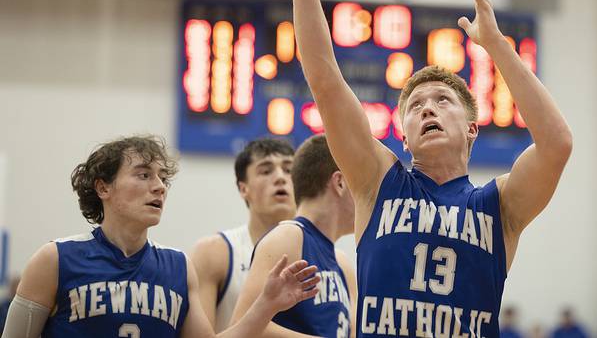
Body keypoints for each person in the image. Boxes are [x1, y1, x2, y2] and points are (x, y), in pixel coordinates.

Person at [258, 0, 573, 338]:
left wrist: (496, 45)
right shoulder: (376, 180)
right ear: (403, 137)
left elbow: (557, 143)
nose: (427, 108)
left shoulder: (499, 206)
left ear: (471, 128)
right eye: (415, 106)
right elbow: (326, 82)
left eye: (443, 101)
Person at [0, 135, 319, 338]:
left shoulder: (178, 266)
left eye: (162, 178)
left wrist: (266, 304)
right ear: (103, 187)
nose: (159, 186)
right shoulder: (54, 259)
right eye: (143, 175)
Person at [231, 134, 356, 337]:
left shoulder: (343, 264)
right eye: (359, 184)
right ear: (340, 183)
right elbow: (242, 327)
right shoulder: (289, 237)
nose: (365, 196)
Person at [191, 138, 296, 331]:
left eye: (289, 170)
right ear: (243, 188)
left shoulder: (333, 259)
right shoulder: (215, 251)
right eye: (266, 171)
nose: (281, 177)